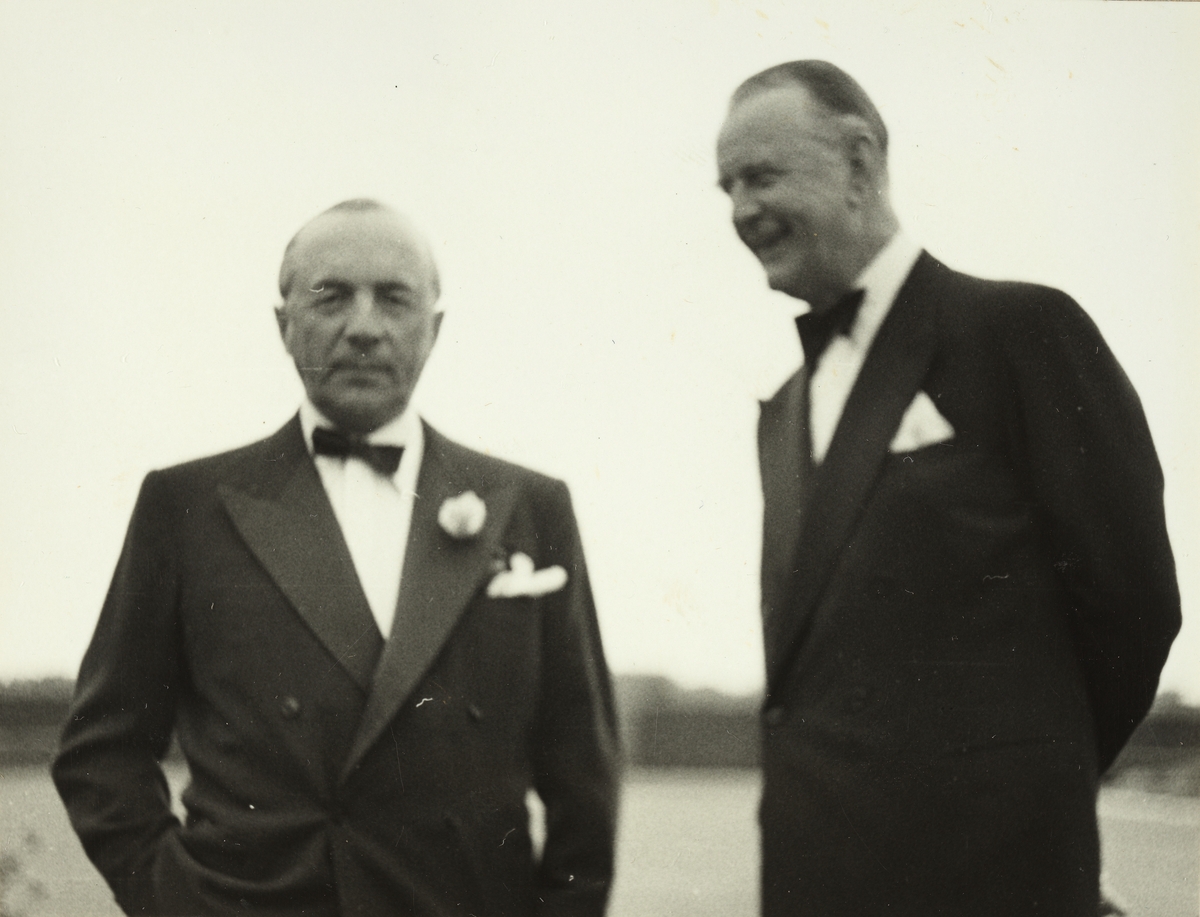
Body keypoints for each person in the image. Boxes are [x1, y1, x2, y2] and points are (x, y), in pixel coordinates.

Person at [53, 199, 619, 916]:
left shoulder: (531, 505)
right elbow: (100, 750)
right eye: (330, 296)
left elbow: (584, 768)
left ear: (434, 327)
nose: (363, 327)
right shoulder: (186, 505)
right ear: (283, 324)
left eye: (393, 298)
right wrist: (177, 901)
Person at [715, 61, 1180, 916]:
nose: (741, 209)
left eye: (763, 175)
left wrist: (1033, 811)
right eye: (727, 186)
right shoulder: (781, 412)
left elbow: (1134, 602)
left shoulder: (1021, 333)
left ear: (859, 164)